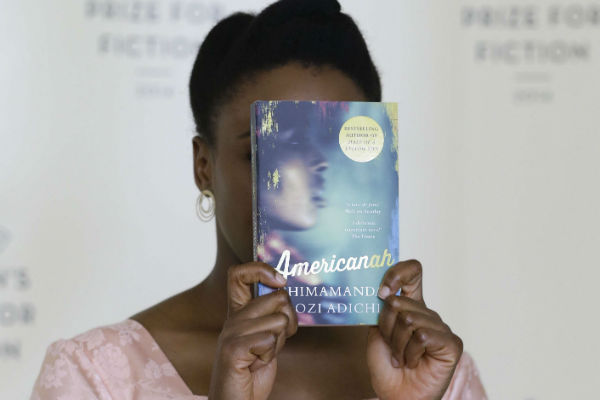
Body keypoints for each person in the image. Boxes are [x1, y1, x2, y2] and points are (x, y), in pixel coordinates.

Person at [30, 0, 487, 399]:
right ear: (203, 166)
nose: (307, 185)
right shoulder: (97, 375)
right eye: (265, 152)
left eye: (336, 152)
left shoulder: (432, 367)